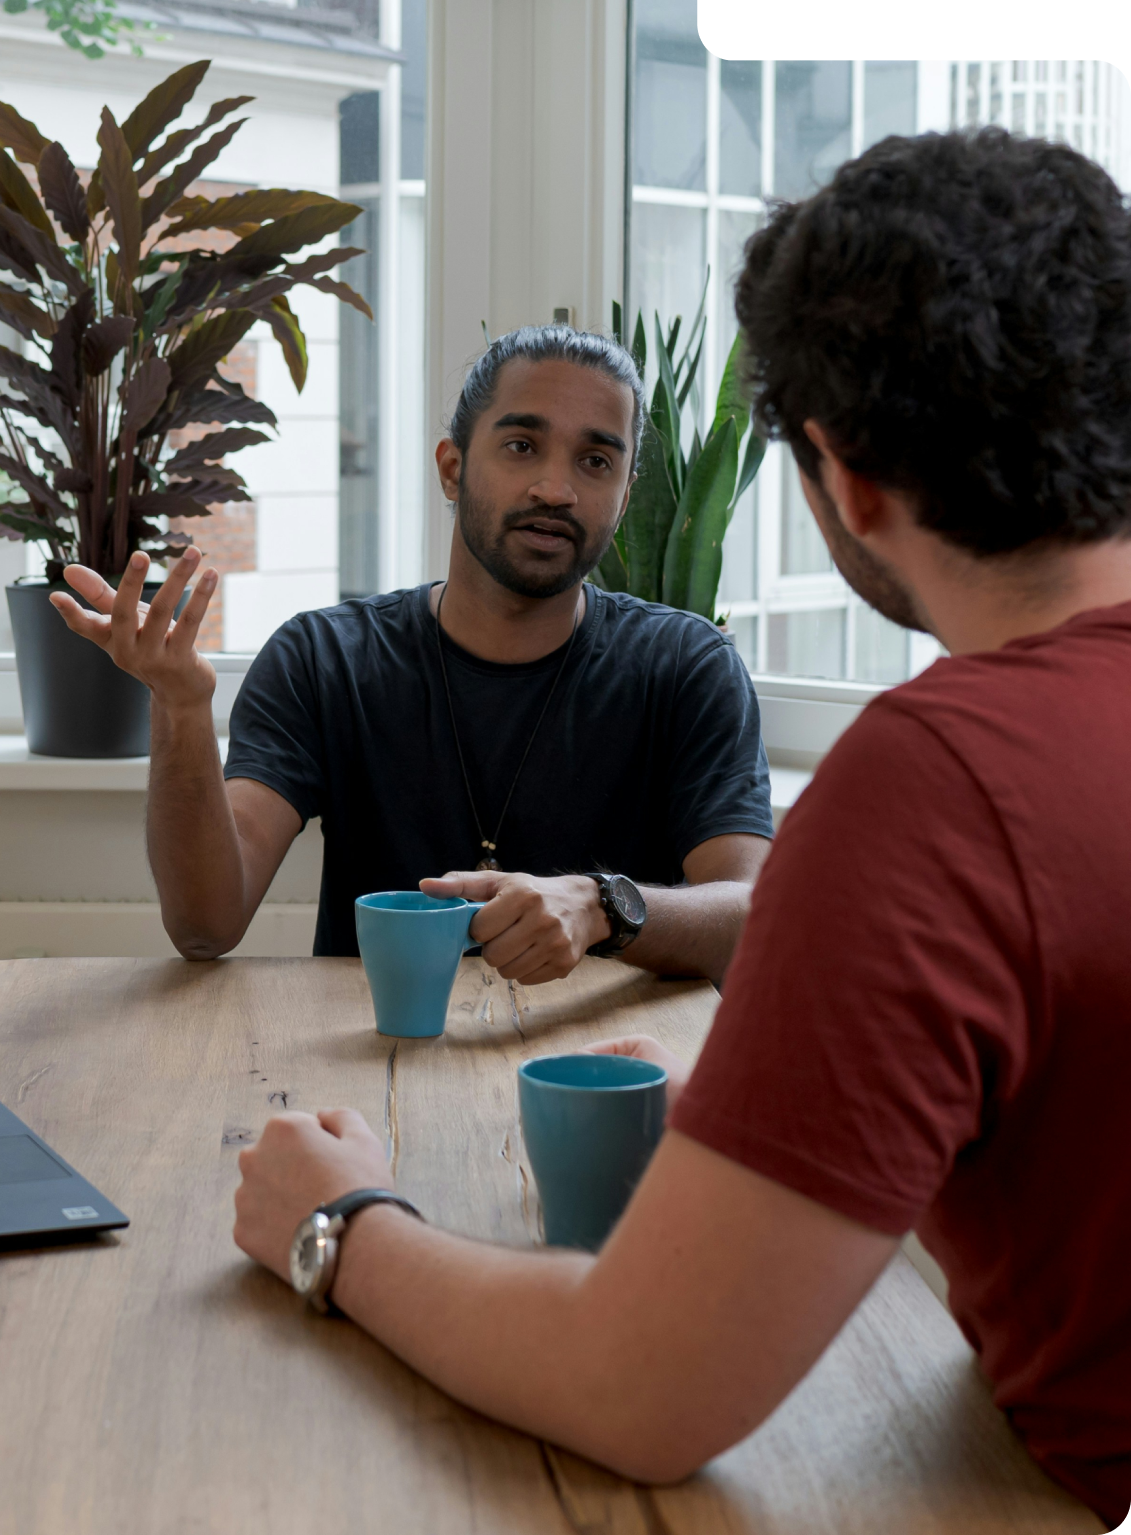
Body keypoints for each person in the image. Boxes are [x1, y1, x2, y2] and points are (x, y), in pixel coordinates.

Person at [229, 128, 1131, 1527]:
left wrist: (339, 1224)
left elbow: (642, 1394)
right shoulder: (337, 656)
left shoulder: (941, 784)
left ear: (846, 480)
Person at [53, 326, 774, 986]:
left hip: (601, 1077)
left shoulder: (688, 667)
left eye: (594, 460)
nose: (555, 489)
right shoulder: (323, 659)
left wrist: (602, 907)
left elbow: (752, 917)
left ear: (623, 497)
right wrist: (180, 709)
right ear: (452, 469)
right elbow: (205, 927)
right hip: (372, 1076)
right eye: (522, 445)